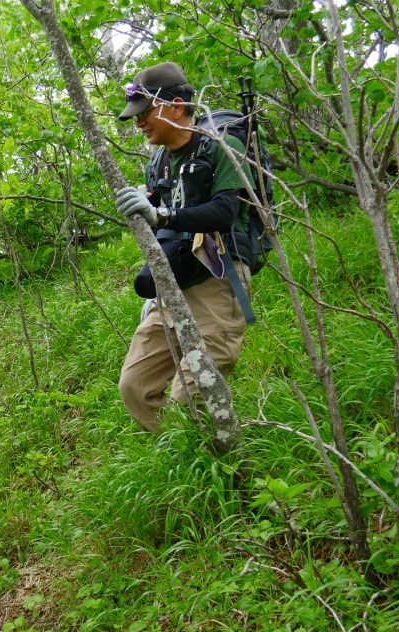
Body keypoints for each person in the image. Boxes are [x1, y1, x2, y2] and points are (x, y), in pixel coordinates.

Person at [113, 62, 252, 432]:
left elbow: (225, 212)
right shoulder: (157, 161)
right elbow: (162, 225)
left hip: (217, 282)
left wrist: (161, 215)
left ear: (176, 105)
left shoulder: (222, 145)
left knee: (188, 397)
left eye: (145, 113)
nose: (139, 123)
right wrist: (155, 287)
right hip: (172, 287)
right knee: (134, 387)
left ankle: (216, 465)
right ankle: (179, 454)